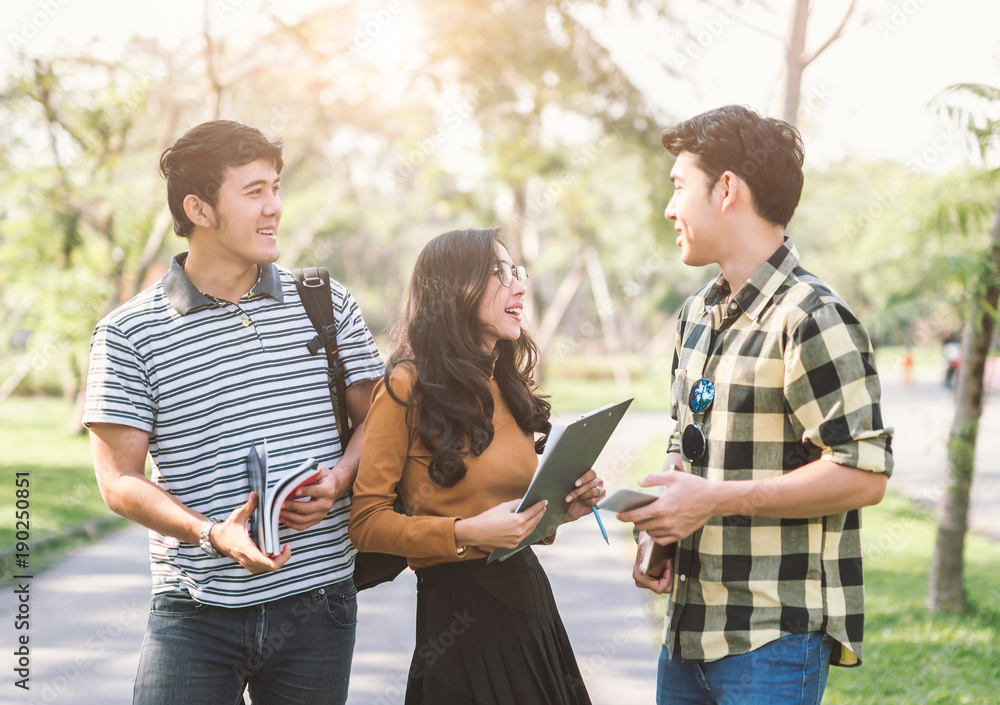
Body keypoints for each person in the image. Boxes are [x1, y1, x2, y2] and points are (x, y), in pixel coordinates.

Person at [83, 120, 384, 705]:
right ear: (198, 208)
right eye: (254, 192)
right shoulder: (128, 333)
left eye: (276, 188)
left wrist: (343, 476)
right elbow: (117, 480)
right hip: (194, 610)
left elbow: (381, 417)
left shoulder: (324, 299)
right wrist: (210, 532)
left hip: (319, 601)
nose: (274, 208)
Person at [617, 105, 894, 705]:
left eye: (678, 186)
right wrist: (660, 530)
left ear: (725, 189)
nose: (670, 208)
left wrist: (716, 500)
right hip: (687, 636)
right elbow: (685, 442)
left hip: (774, 641)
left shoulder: (813, 317)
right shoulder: (696, 315)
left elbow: (862, 472)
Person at [349, 227, 601, 705]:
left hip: (530, 605)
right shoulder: (406, 386)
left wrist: (559, 510)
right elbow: (366, 524)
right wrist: (467, 532)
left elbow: (520, 524)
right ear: (454, 290)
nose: (519, 287)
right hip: (457, 620)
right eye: (499, 274)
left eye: (517, 272)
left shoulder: (508, 384)